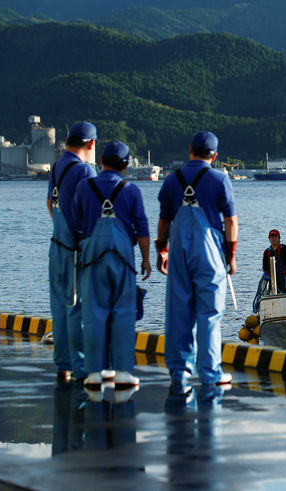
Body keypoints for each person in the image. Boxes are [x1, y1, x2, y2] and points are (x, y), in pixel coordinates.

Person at [155, 131, 238, 388]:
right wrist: (231, 255)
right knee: (210, 313)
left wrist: (162, 251)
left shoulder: (171, 181)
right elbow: (231, 221)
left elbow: (164, 221)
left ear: (190, 150)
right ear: (215, 155)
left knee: (178, 312)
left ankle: (179, 372)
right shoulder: (220, 179)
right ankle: (210, 373)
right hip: (210, 253)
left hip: (179, 251)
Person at [72, 141, 151, 390]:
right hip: (123, 256)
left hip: (92, 256)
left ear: (102, 160)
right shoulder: (131, 190)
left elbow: (75, 223)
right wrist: (147, 259)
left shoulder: (85, 186)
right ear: (127, 165)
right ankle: (123, 372)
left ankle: (94, 372)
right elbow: (142, 229)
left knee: (93, 313)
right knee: (123, 314)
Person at [47, 121, 97, 382]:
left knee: (59, 307)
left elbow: (50, 203)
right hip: (77, 250)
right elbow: (91, 212)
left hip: (56, 246)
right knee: (78, 308)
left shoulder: (56, 168)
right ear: (91, 144)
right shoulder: (85, 172)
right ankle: (80, 369)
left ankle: (63, 366)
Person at [262, 229, 286, 293]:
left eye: (275, 237)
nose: (274, 239)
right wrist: (265, 275)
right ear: (269, 238)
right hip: (272, 280)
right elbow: (265, 266)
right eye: (272, 237)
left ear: (279, 238)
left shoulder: (285, 249)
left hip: (284, 279)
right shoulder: (267, 252)